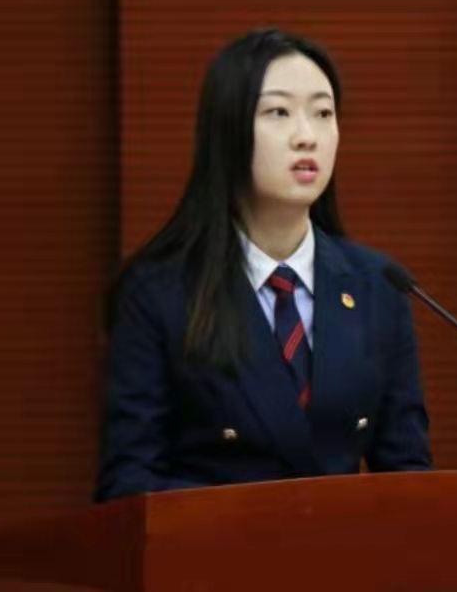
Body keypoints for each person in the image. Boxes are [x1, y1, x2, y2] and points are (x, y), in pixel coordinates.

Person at [94, 28, 432, 501]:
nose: (306, 136)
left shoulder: (378, 286)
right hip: (213, 548)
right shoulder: (158, 291)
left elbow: (408, 479)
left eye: (323, 113)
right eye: (278, 112)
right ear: (227, 131)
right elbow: (129, 485)